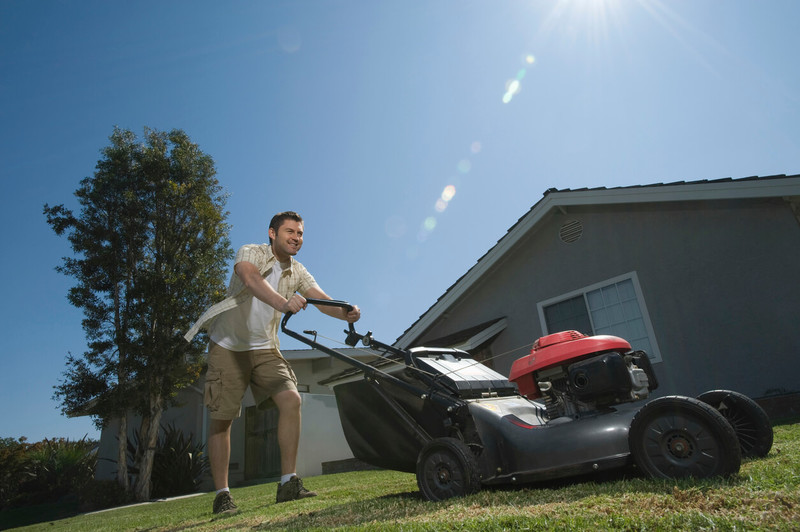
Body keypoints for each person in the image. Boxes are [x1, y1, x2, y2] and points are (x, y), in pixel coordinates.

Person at [184, 211, 360, 514]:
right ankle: (222, 494)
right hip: (228, 345)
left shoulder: (298, 271)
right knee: (222, 419)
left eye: (300, 233)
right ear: (272, 233)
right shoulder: (251, 252)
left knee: (292, 400)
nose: (296, 238)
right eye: (290, 232)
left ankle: (288, 482)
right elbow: (249, 278)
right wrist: (283, 302)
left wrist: (347, 311)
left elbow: (320, 299)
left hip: (265, 347)